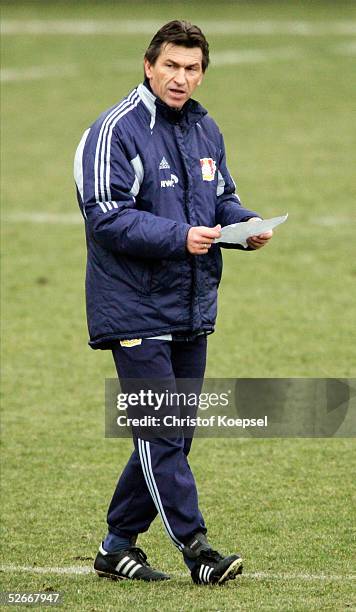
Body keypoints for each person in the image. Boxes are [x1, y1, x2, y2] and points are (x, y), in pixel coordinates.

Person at [74, 20, 272, 585]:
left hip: (189, 305)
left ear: (202, 72)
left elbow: (222, 198)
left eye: (191, 68)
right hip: (132, 306)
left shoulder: (206, 130)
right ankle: (198, 549)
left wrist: (246, 224)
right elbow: (105, 216)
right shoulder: (115, 130)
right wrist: (180, 236)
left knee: (173, 433)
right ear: (148, 65)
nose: (181, 78)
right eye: (171, 66)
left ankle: (116, 546)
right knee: (162, 430)